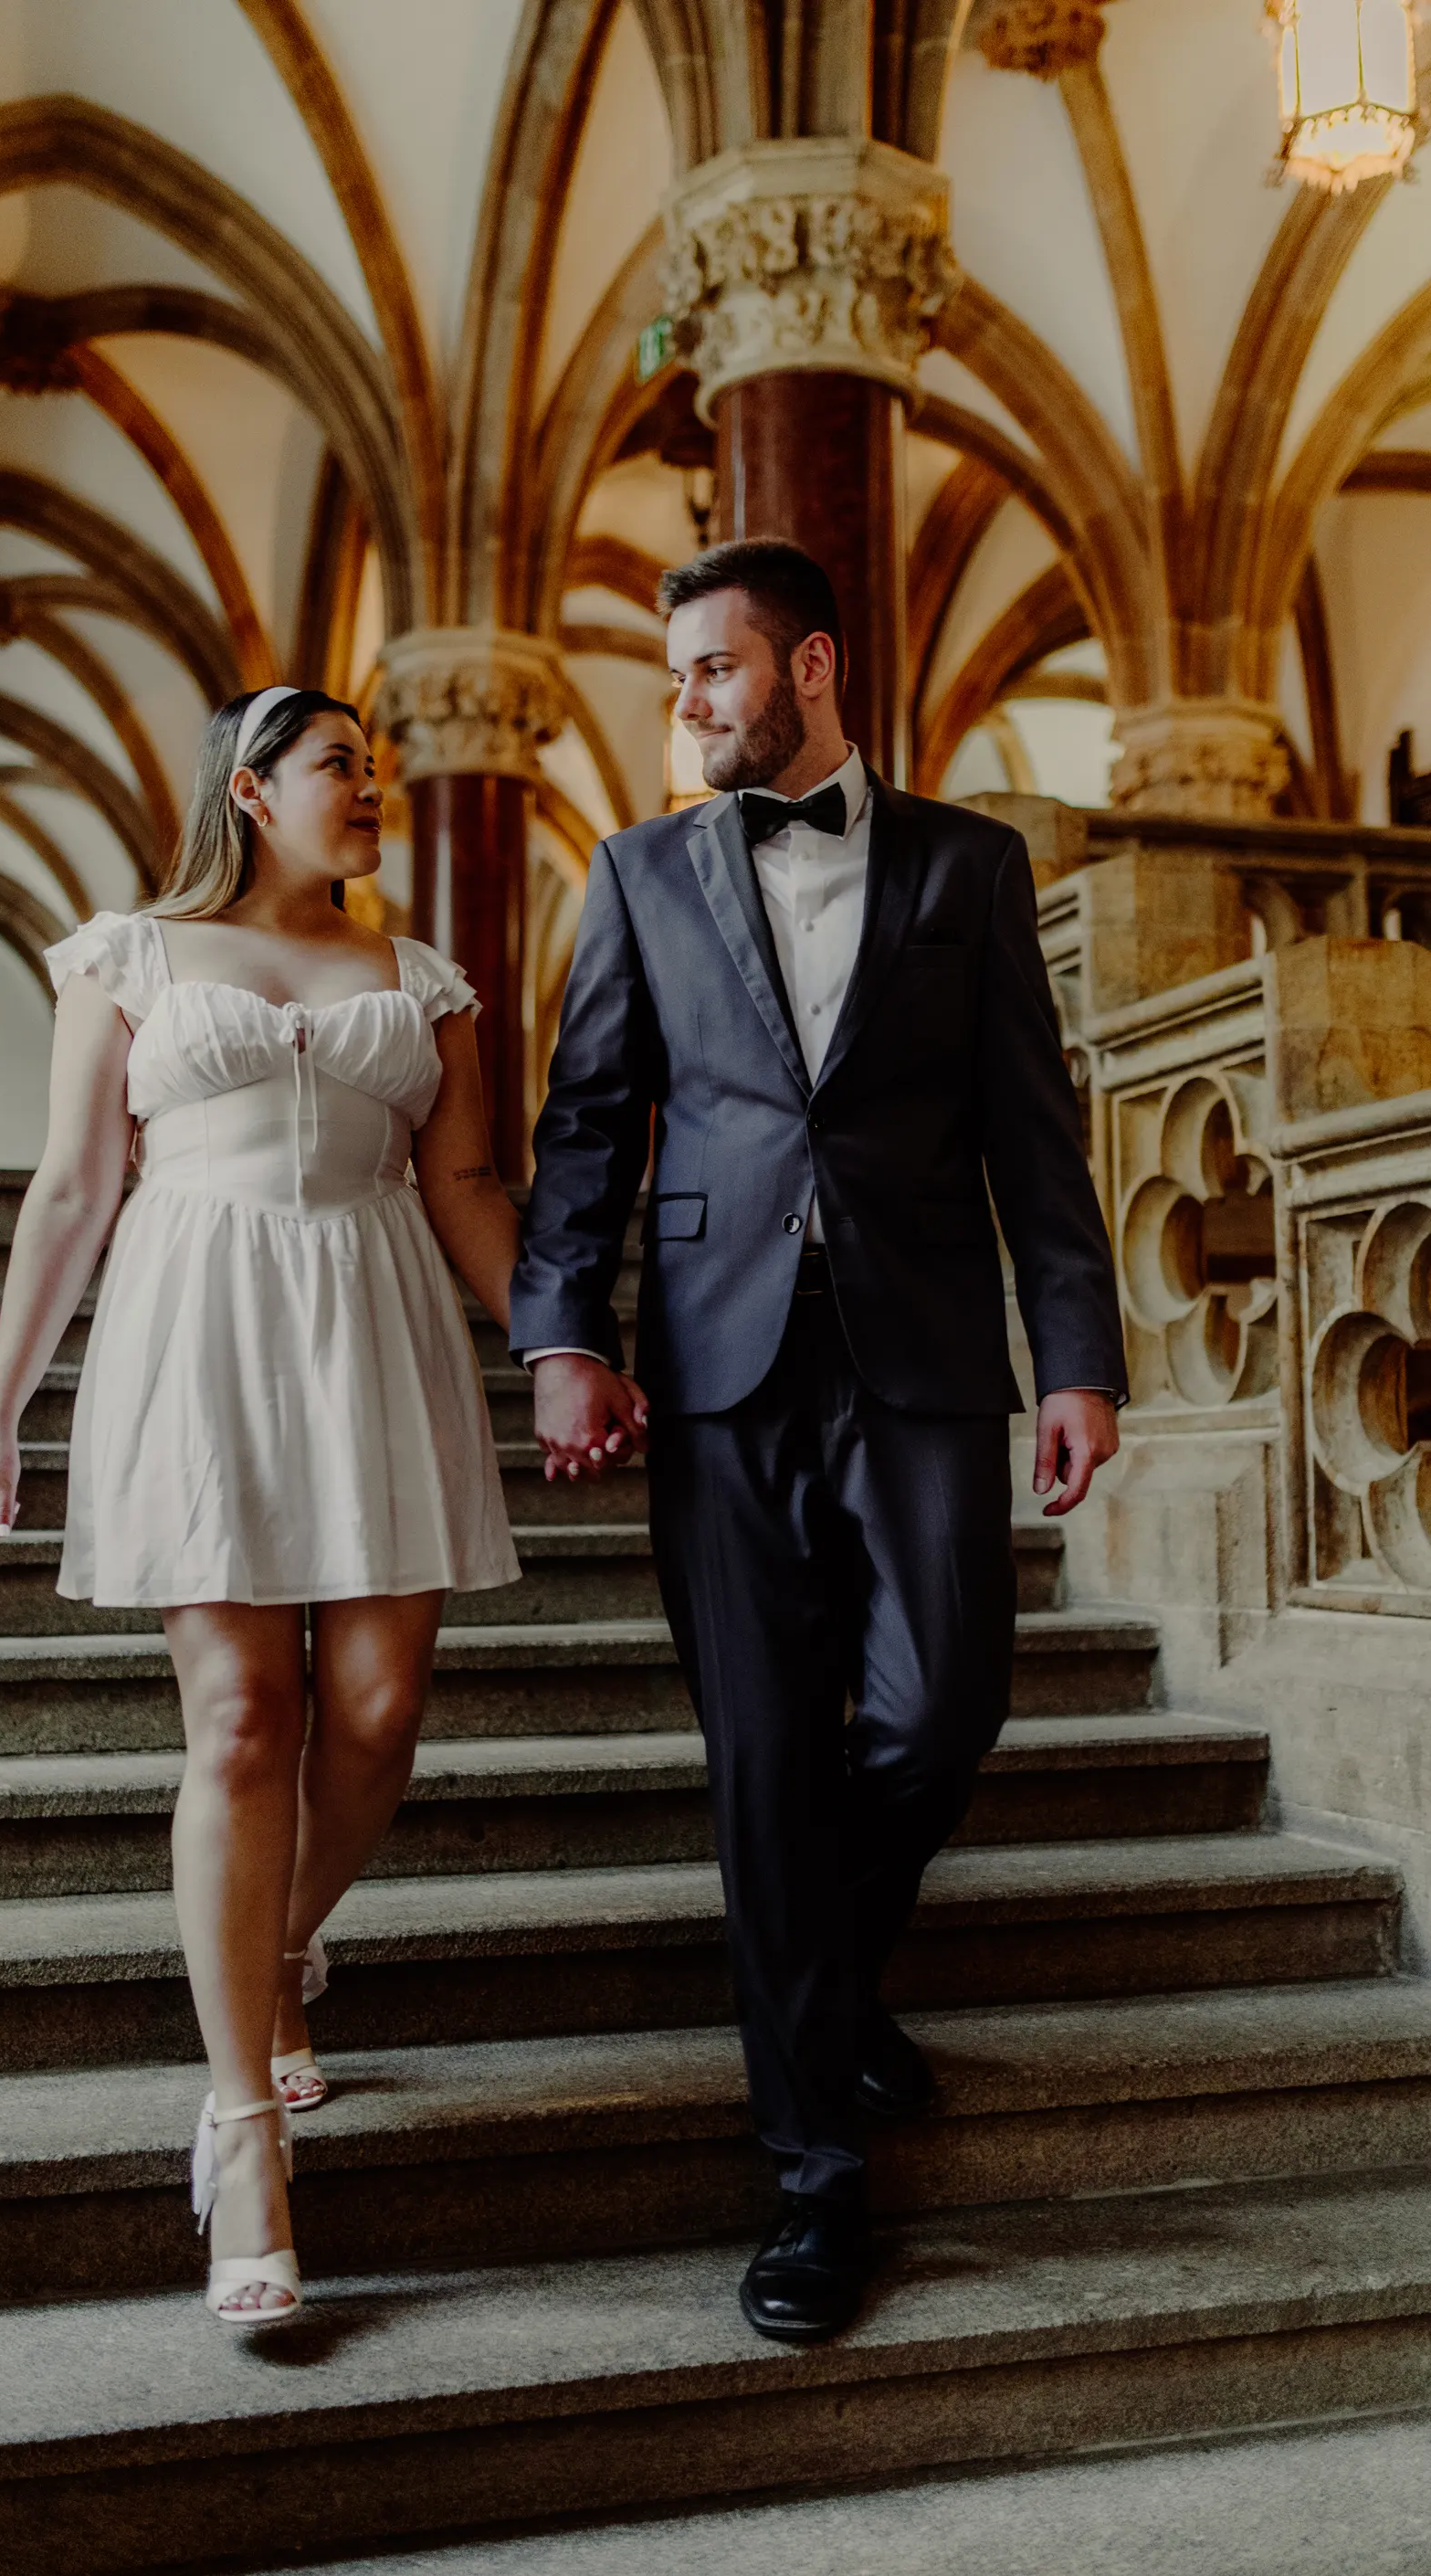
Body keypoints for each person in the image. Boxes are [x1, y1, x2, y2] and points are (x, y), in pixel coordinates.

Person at [510, 538, 1126, 2345]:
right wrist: (566, 1336)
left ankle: (823, 1979)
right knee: (764, 1760)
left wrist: (1076, 1355)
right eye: (674, 677)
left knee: (942, 1706)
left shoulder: (970, 868)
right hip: (715, 1367)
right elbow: (584, 1130)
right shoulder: (632, 877)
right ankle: (810, 2182)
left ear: (811, 668)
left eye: (709, 667)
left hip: (923, 1351)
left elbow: (1036, 1131)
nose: (684, 702)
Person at [0, 685, 520, 2331]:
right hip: (193, 1323)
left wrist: (560, 1346)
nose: (373, 788)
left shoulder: (424, 981)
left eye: (374, 766)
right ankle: (244, 2132)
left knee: (380, 1705)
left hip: (376, 1320)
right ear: (254, 791)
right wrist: (1, 1411)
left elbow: (471, 1187)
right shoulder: (129, 954)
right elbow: (72, 1191)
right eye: (342, 763)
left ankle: (271, 1951)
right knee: (243, 1720)